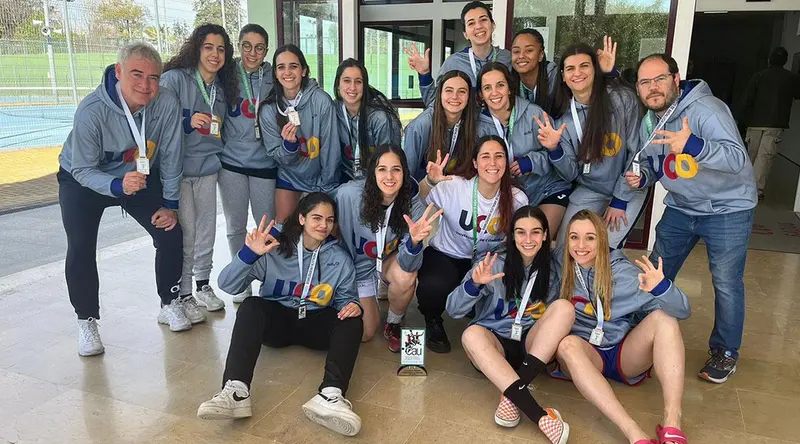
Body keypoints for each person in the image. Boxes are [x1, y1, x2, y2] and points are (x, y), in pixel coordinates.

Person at [628, 53, 756, 384]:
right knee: (656, 269)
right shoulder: (654, 117)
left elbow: (736, 158)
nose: (652, 87)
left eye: (659, 79)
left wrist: (693, 145)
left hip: (727, 209)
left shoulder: (707, 109)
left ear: (676, 78)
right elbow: (659, 162)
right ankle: (642, 333)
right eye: (645, 82)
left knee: (726, 283)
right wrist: (643, 177)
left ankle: (726, 351)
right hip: (683, 206)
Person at [197, 193, 364, 437]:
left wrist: (352, 305)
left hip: (315, 323)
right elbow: (228, 285)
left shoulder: (339, 258)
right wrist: (249, 254)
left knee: (354, 320)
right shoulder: (274, 249)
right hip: (279, 322)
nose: (323, 225)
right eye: (316, 218)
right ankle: (236, 391)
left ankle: (330, 395)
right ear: (301, 218)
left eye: (329, 220)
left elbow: (346, 298)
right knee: (251, 305)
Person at [58, 43, 186, 355]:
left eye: (154, 78)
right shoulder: (91, 111)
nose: (146, 85)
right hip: (84, 180)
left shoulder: (166, 101)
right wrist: (117, 186)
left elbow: (171, 155)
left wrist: (170, 204)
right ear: (118, 72)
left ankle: (169, 302)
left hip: (137, 177)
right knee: (80, 247)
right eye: (137, 75)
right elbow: (82, 168)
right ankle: (86, 319)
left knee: (170, 230)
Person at [552, 210, 691, 444]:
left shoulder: (624, 273)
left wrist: (662, 288)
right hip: (583, 355)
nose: (581, 245)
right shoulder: (560, 266)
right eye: (574, 237)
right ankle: (633, 432)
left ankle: (671, 422)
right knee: (566, 345)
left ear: (603, 240)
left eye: (590, 237)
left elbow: (683, 310)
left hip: (623, 354)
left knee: (665, 319)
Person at [448, 206, 573, 444]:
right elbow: (453, 310)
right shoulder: (492, 263)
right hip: (494, 347)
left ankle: (510, 396)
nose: (528, 240)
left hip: (531, 347)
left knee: (564, 308)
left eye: (535, 232)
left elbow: (555, 322)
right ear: (512, 235)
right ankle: (539, 416)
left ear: (546, 235)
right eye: (521, 232)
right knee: (471, 334)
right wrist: (474, 285)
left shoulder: (554, 268)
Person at [417, 135, 528, 353]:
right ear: (475, 163)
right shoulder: (455, 186)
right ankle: (433, 320)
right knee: (433, 286)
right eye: (485, 156)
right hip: (448, 255)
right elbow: (421, 198)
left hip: (486, 260)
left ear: (507, 161)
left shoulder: (518, 198)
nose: (493, 163)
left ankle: (485, 321)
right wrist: (429, 181)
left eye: (499, 156)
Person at [161, 23, 239, 314]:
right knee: (188, 233)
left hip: (208, 169)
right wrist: (186, 120)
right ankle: (182, 294)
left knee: (206, 231)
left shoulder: (221, 88)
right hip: (178, 173)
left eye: (220, 49)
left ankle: (202, 284)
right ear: (196, 49)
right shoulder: (174, 80)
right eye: (208, 47)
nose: (215, 54)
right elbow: (155, 120)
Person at [544, 43, 646, 248]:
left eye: (584, 66)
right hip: (590, 188)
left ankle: (603, 281)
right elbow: (571, 173)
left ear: (595, 70)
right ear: (563, 76)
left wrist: (620, 199)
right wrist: (555, 149)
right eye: (570, 69)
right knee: (567, 247)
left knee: (606, 249)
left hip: (627, 187)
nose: (578, 73)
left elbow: (638, 151)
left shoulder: (622, 99)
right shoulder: (563, 119)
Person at [336, 145, 435, 351]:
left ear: (404, 172)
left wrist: (415, 243)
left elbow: (409, 264)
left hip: (386, 262)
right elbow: (320, 218)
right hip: (356, 269)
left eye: (396, 169)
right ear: (372, 172)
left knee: (406, 276)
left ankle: (394, 323)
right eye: (382, 169)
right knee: (364, 333)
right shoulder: (348, 195)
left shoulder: (413, 205)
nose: (389, 176)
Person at [476, 62, 571, 237]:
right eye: (487, 88)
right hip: (508, 194)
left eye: (500, 85)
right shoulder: (478, 126)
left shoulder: (533, 114)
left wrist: (531, 162)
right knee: (510, 245)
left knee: (537, 240)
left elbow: (556, 154)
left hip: (546, 189)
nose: (495, 92)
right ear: (481, 95)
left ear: (510, 88)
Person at [219, 24, 275, 304]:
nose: (253, 53)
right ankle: (239, 278)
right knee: (235, 227)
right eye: (246, 46)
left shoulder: (273, 75)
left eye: (260, 47)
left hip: (265, 163)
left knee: (266, 226)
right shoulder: (226, 74)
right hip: (231, 163)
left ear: (267, 50)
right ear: (238, 46)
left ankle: (269, 276)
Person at [259, 44, 340, 222]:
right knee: (284, 229)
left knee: (323, 229)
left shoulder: (321, 100)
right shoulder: (269, 109)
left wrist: (325, 187)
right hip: (289, 176)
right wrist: (289, 145)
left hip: (320, 178)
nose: (287, 72)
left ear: (303, 70)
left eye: (293, 66)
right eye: (281, 67)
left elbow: (330, 149)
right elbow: (279, 156)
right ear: (275, 73)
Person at [404, 1, 512, 107]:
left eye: (483, 20)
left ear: (492, 25)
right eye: (471, 23)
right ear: (465, 34)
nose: (478, 26)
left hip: (503, 124)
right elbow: (434, 103)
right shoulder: (453, 63)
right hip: (468, 125)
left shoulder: (508, 59)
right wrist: (424, 74)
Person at [736, 46, 800, 201]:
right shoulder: (791, 78)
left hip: (755, 123)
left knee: (752, 155)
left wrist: (741, 121)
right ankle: (756, 190)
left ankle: (746, 186)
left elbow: (746, 100)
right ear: (785, 61)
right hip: (775, 124)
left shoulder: (759, 76)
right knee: (765, 157)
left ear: (769, 60)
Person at [334, 58, 402, 182]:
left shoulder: (381, 119)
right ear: (338, 85)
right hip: (346, 177)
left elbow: (390, 163)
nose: (352, 87)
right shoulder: (333, 110)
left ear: (365, 86)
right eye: (347, 81)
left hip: (377, 181)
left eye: (358, 82)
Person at [404, 70, 479, 182]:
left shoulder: (474, 123)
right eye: (449, 90)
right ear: (440, 94)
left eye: (462, 91)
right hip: (424, 193)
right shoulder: (420, 126)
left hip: (455, 193)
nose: (455, 96)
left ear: (469, 97)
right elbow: (408, 175)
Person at [510, 29, 558, 112]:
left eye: (529, 50)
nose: (521, 56)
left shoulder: (556, 80)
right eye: (516, 51)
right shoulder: (508, 83)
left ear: (541, 55)